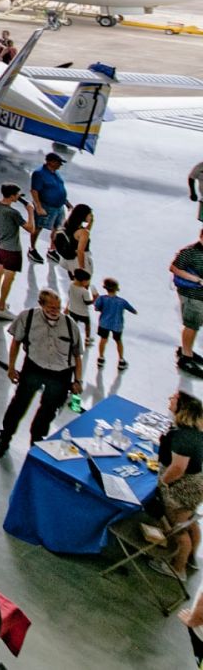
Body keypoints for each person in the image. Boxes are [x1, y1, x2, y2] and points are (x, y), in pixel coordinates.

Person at [0, 290, 83, 458]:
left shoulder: (70, 325)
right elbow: (16, 342)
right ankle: (4, 437)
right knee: (19, 403)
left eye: (58, 307)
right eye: (51, 307)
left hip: (60, 373)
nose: (55, 311)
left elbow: (77, 355)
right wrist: (11, 368)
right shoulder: (28, 317)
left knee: (49, 409)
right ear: (41, 305)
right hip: (34, 367)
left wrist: (78, 380)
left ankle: (36, 442)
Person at [157, 388, 203, 579]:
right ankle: (192, 559)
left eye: (174, 398)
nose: (170, 399)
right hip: (196, 484)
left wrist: (163, 482)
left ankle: (178, 568)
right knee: (190, 521)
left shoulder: (182, 437)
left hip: (183, 488)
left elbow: (177, 468)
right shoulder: (194, 432)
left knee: (178, 528)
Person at [0, 184, 33, 321]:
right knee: (9, 276)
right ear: (13, 196)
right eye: (18, 195)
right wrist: (30, 211)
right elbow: (31, 229)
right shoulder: (13, 213)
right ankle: (1, 307)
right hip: (12, 248)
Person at [27, 153, 68, 263]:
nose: (60, 165)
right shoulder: (39, 174)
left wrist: (67, 203)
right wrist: (39, 207)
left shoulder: (56, 173)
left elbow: (60, 188)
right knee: (38, 227)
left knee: (58, 228)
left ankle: (52, 249)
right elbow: (34, 191)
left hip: (59, 207)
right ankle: (32, 249)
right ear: (50, 161)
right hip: (46, 206)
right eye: (59, 162)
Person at [173, 228, 203, 376]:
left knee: (194, 325)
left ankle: (187, 350)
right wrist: (197, 280)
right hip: (192, 295)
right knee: (191, 326)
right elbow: (174, 268)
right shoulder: (189, 252)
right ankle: (186, 357)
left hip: (200, 297)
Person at [94, 278, 136, 371]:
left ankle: (101, 358)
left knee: (103, 340)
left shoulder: (101, 298)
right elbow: (133, 310)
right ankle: (121, 360)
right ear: (116, 289)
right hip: (117, 325)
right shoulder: (122, 301)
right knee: (118, 341)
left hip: (104, 323)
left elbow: (96, 308)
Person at [53, 203, 94, 274]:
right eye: (90, 214)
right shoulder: (83, 232)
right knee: (82, 284)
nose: (91, 215)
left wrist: (91, 222)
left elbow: (80, 236)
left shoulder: (68, 225)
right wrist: (82, 270)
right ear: (83, 215)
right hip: (79, 261)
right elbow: (80, 251)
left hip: (67, 260)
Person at [66, 268, 96, 342]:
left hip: (72, 309)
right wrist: (94, 299)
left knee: (73, 324)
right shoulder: (84, 291)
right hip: (83, 312)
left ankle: (70, 336)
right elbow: (87, 302)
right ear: (83, 281)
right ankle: (87, 338)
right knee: (87, 324)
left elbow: (70, 296)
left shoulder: (71, 285)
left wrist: (67, 307)